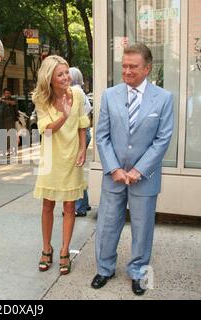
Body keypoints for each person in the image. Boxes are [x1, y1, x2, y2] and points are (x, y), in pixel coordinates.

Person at [92, 43, 174, 295]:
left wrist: (139, 170)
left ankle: (138, 272)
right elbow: (102, 135)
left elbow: (163, 138)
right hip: (113, 176)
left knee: (142, 226)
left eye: (133, 67)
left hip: (145, 178)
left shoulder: (164, 98)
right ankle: (104, 269)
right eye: (124, 66)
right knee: (107, 223)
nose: (126, 71)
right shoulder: (109, 95)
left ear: (147, 68)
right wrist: (114, 168)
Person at [32, 55, 90, 275]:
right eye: (61, 74)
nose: (66, 77)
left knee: (69, 207)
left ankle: (65, 250)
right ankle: (47, 248)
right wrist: (64, 115)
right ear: (50, 78)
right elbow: (45, 130)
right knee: (48, 204)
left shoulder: (76, 94)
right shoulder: (41, 99)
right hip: (51, 157)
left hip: (72, 155)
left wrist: (83, 148)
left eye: (67, 72)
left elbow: (83, 124)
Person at [69, 67, 93, 217]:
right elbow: (89, 109)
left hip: (79, 133)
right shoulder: (80, 92)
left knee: (74, 173)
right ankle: (84, 204)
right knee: (76, 170)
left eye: (66, 74)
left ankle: (80, 207)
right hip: (83, 132)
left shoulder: (74, 92)